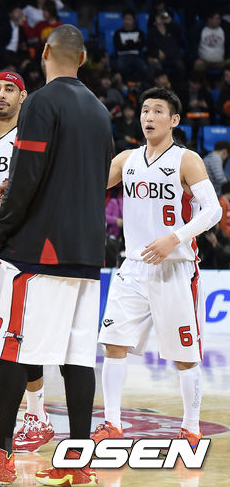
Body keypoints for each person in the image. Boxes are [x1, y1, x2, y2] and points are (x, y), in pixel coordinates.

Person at [0, 25, 112, 486]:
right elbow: (94, 180)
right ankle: (77, 462)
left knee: (10, 349)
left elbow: (27, 176)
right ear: (83, 58)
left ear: (45, 52)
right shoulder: (99, 110)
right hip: (88, 252)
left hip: (40, 251)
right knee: (77, 358)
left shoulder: (40, 102)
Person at [94, 87, 222, 453]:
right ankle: (113, 423)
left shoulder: (187, 160)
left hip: (175, 268)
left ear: (174, 120)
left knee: (184, 357)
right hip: (133, 267)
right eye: (145, 111)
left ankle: (191, 428)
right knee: (113, 344)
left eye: (157, 111)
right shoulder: (127, 159)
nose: (149, 117)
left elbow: (213, 210)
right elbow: (86, 185)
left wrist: (174, 238)